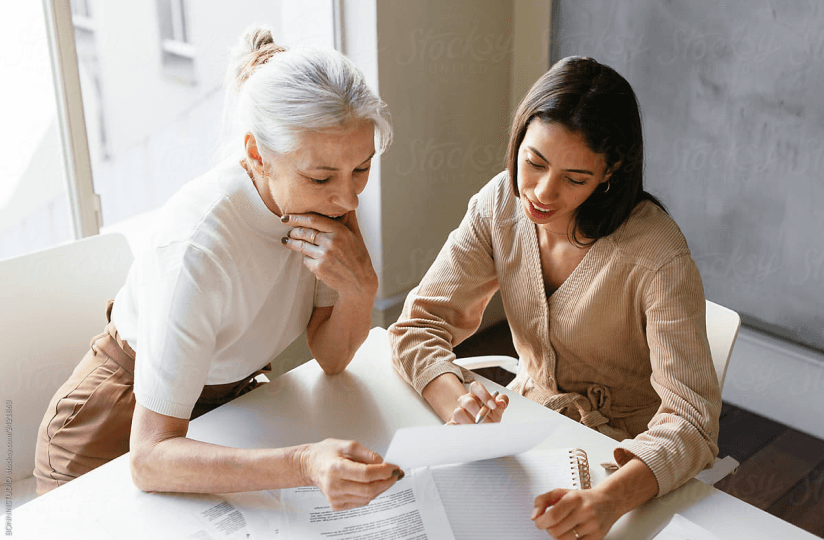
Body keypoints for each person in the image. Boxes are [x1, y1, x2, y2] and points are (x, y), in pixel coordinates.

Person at [34, 27, 401, 510]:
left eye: (362, 167)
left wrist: (361, 289)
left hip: (223, 409)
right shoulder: (199, 249)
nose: (349, 197)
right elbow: (148, 458)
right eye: (321, 176)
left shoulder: (326, 203)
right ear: (256, 155)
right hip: (113, 428)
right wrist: (304, 463)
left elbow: (331, 356)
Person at [389, 56, 722, 539]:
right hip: (524, 434)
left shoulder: (657, 256)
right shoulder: (500, 204)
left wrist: (607, 501)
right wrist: (455, 404)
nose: (542, 193)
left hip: (626, 465)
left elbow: (693, 422)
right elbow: (418, 325)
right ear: (519, 138)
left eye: (575, 178)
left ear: (612, 170)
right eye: (534, 162)